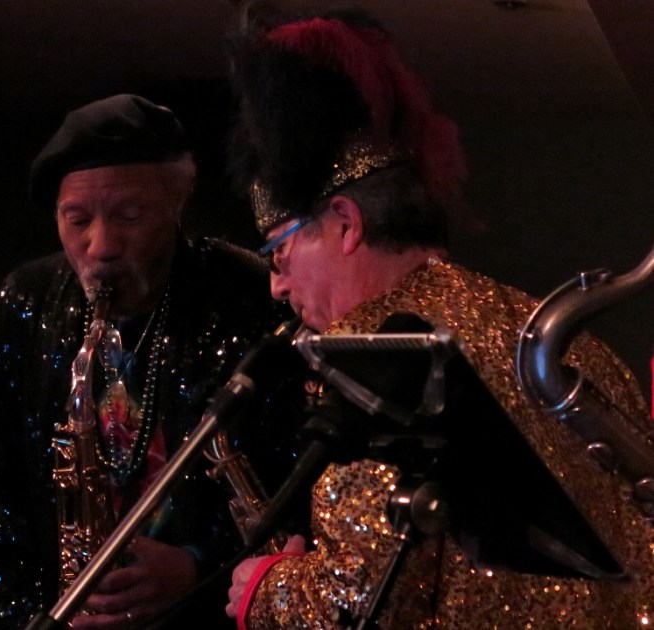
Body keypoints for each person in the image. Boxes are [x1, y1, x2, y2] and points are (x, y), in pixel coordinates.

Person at [223, 7, 654, 629]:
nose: (276, 285)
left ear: (345, 224)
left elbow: (367, 600)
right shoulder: (568, 339)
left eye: (280, 253)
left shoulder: (378, 358)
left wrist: (268, 591)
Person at [0, 93, 305, 630]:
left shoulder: (250, 296)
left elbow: (297, 494)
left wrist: (200, 566)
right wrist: (33, 616)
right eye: (76, 220)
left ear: (178, 204)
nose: (100, 246)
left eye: (129, 216)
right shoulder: (25, 302)